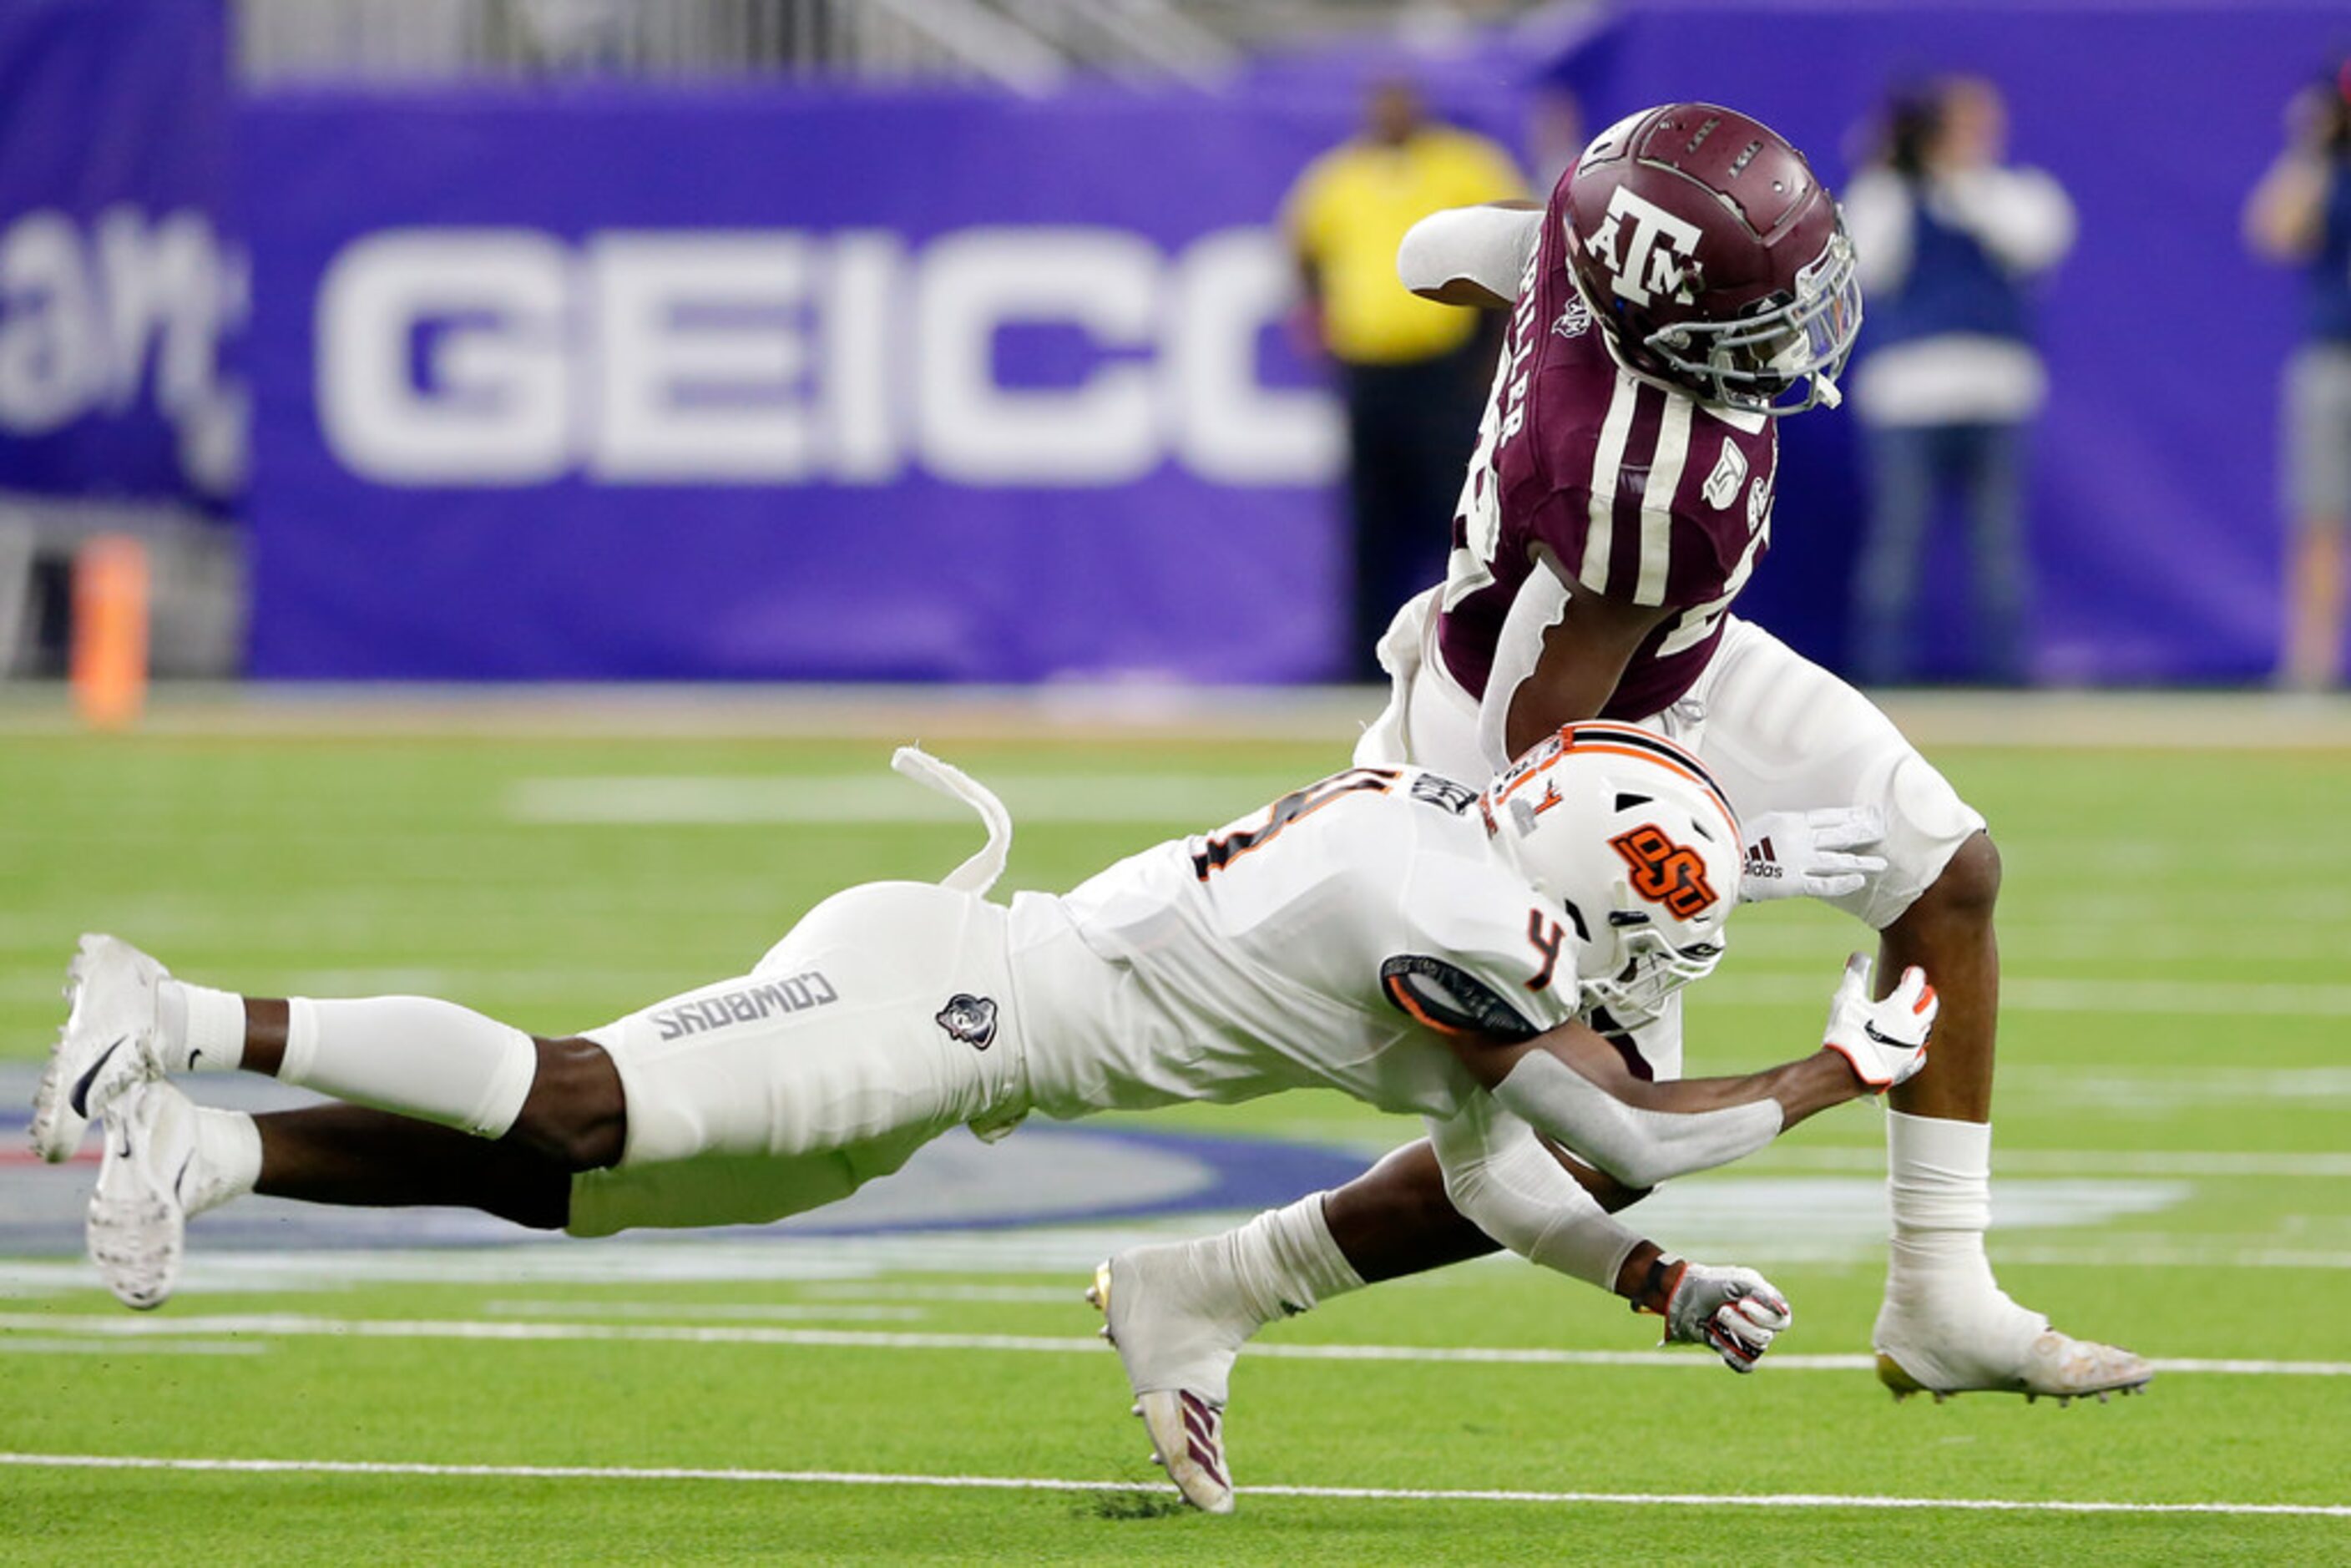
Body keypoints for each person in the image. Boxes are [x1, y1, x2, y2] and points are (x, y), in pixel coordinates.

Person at [35, 732, 1939, 1512]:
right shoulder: (1452, 918)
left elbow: (1503, 1176)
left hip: (972, 1040)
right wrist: (1846, 1065)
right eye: (1637, 937)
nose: (1632, 976)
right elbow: (1650, 1121)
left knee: (574, 1193)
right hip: (938, 997)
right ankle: (184, 1012)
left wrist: (1652, 1282)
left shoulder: (1457, 864)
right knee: (583, 1097)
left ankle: (216, 1151)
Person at [1105, 106, 2146, 1495]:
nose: (1792, 332)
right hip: (1531, 734)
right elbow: (1557, 735)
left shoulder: (1582, 252)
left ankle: (1942, 1295)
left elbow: (1429, 252)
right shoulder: (1650, 486)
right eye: (1753, 317)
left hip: (1662, 647)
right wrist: (1740, 853)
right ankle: (1219, 1280)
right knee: (1603, 1146)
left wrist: (1530, 300)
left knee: (1948, 875)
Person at [1283, 78, 1527, 680]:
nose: (1390, 113)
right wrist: (1319, 316)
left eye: (1399, 101)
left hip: (1444, 371)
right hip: (1369, 371)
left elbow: (1519, 246)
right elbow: (1302, 246)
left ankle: (1466, 654)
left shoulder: (1464, 164)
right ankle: (1365, 661)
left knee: (1459, 512)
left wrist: (1494, 350)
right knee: (1371, 519)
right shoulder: (1339, 177)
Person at [1843, 77, 2075, 686]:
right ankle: (1881, 682)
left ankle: (2008, 684)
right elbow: (1867, 264)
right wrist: (1891, 168)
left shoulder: (2016, 193)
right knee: (1896, 547)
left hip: (1997, 392)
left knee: (2000, 551)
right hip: (1909, 395)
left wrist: (1958, 177)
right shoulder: (1886, 196)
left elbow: (2030, 243)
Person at [2246, 64, 2351, 691]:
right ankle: (2311, 669)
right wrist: (2309, 147)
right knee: (2318, 518)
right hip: (2333, 359)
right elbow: (2274, 232)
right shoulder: (2327, 171)